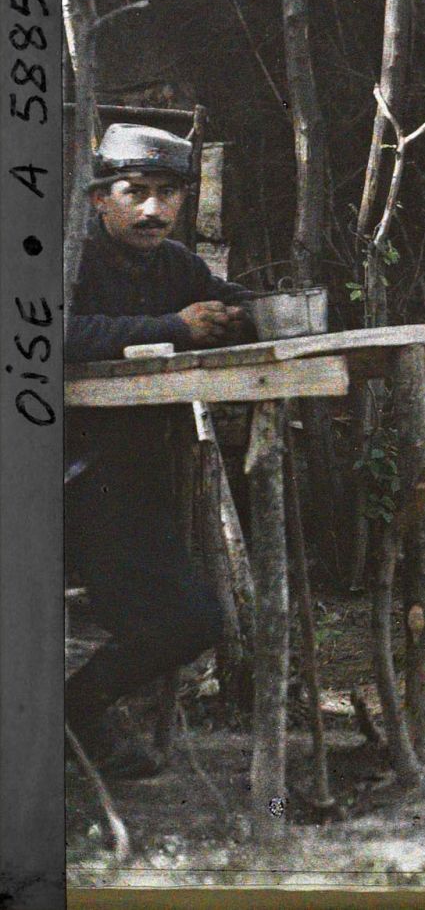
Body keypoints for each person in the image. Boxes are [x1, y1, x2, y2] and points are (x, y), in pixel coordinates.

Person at [65, 123, 253, 780]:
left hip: (129, 480)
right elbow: (56, 331)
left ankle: (73, 712)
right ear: (98, 199)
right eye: (135, 191)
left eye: (167, 193)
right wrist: (173, 327)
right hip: (58, 477)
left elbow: (229, 302)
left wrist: (240, 317)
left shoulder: (175, 264)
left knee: (186, 619)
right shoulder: (69, 258)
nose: (153, 209)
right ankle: (66, 721)